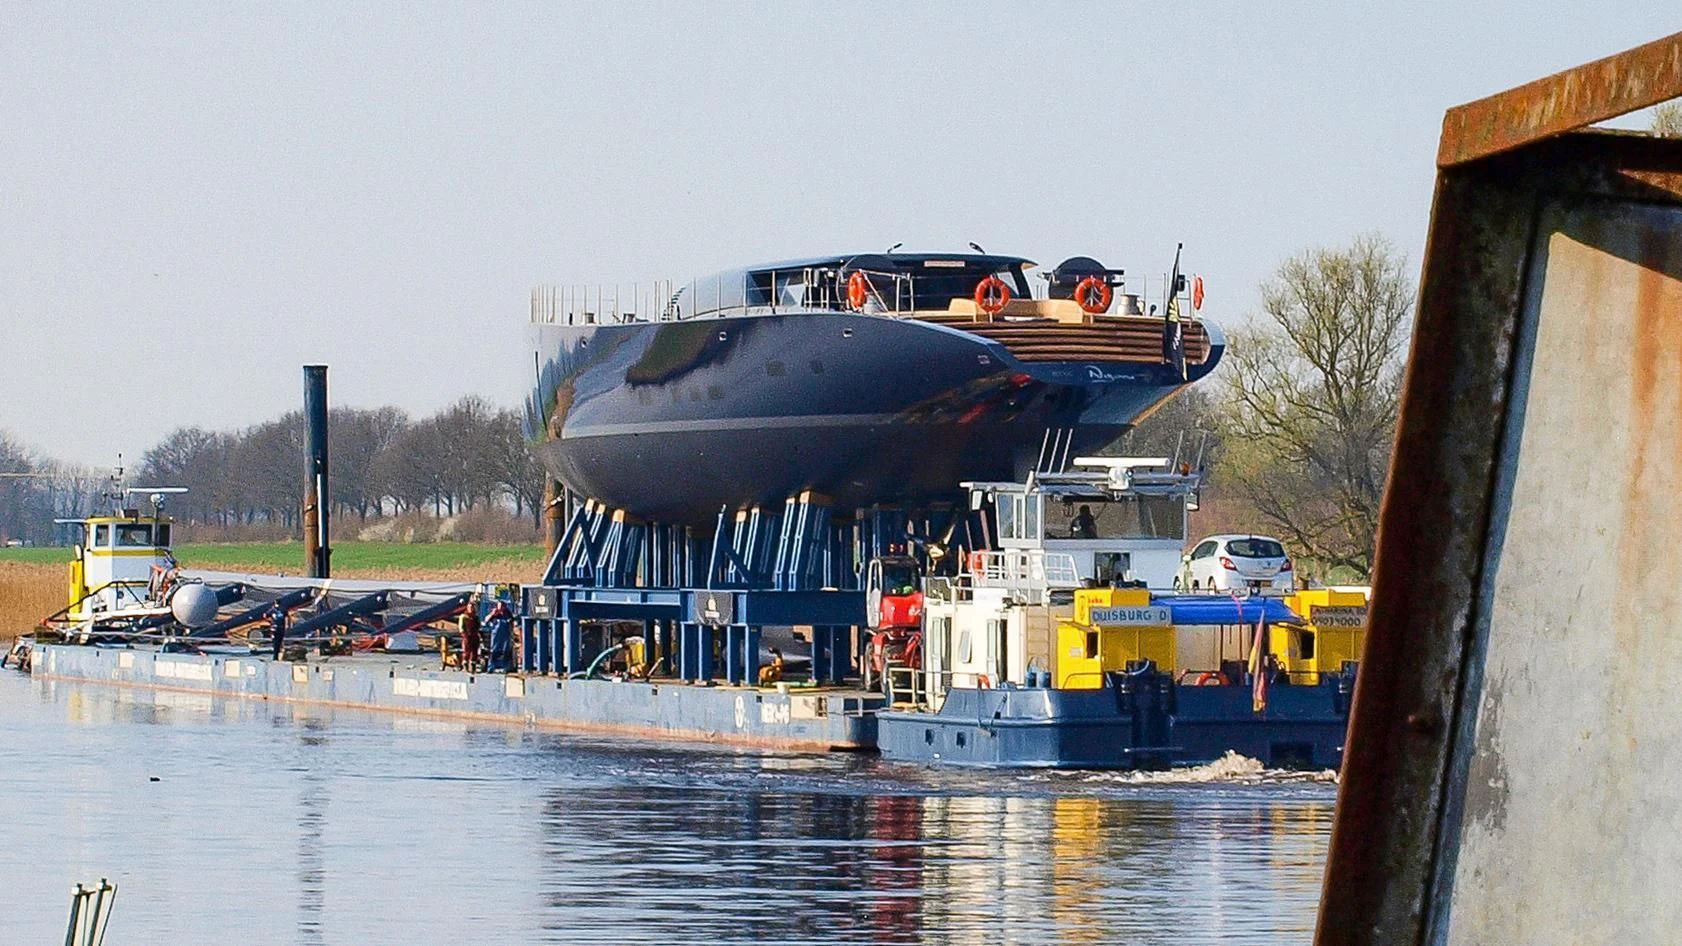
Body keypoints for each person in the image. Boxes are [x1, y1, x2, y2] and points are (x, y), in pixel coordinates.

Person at [486, 600, 513, 672]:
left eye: (502, 606)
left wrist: (511, 634)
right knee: (494, 651)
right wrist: (492, 614)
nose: (500, 608)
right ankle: (491, 667)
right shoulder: (495, 614)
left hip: (505, 636)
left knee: (505, 651)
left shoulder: (508, 614)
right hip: (495, 636)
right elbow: (486, 620)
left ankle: (505, 667)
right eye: (499, 606)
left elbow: (511, 623)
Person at [459, 597, 482, 672]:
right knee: (466, 652)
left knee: (474, 653)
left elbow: (478, 626)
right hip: (467, 637)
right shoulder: (463, 617)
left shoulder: (476, 617)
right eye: (470, 607)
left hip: (474, 636)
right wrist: (464, 635)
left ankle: (473, 667)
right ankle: (465, 666)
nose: (471, 609)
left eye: (472, 607)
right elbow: (461, 628)